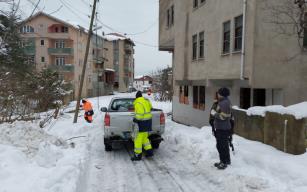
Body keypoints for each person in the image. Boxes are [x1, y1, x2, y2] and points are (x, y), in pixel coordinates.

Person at [211, 87, 232, 170]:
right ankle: (226, 161)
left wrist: (214, 114)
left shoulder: (224, 103)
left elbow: (224, 117)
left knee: (221, 145)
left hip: (223, 128)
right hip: (222, 127)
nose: (218, 94)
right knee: (224, 145)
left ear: (222, 94)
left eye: (219, 93)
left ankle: (223, 162)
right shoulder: (223, 102)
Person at [131, 91, 154, 161]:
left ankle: (138, 156)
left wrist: (136, 119)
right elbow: (151, 108)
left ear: (136, 97)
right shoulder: (146, 101)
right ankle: (149, 152)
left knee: (137, 140)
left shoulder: (138, 103)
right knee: (145, 139)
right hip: (148, 123)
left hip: (141, 124)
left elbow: (140, 114)